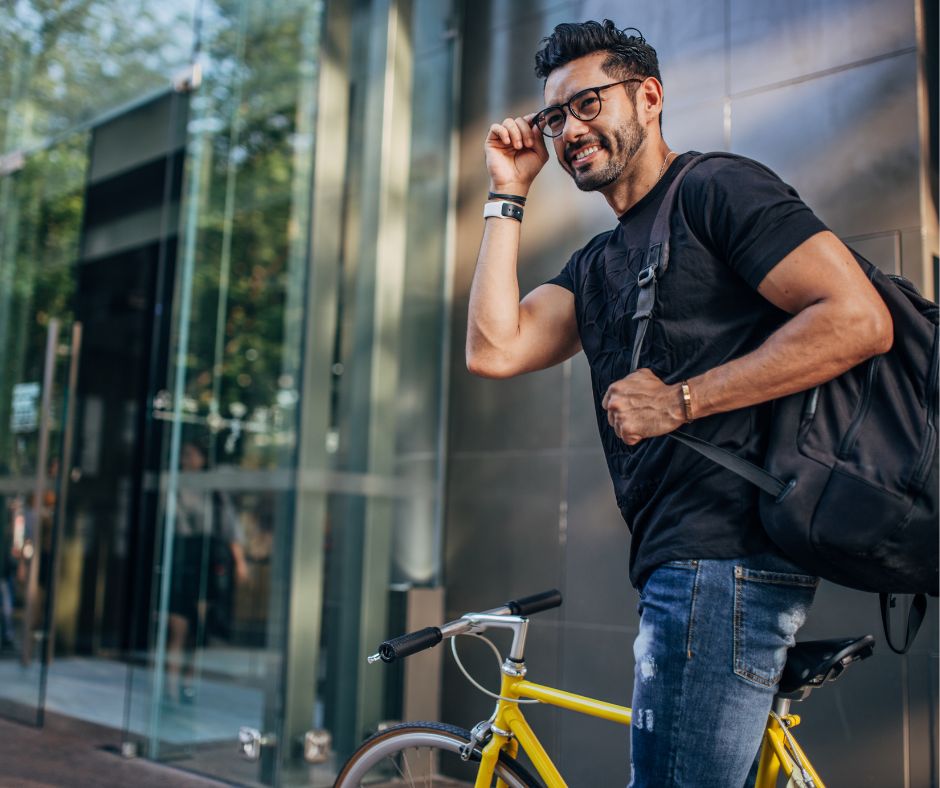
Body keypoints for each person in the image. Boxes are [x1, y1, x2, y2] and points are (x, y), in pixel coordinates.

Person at [466, 20, 892, 788]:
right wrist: (507, 191)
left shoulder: (716, 189)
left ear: (650, 96)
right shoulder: (598, 262)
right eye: (555, 116)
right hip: (681, 569)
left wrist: (684, 400)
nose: (569, 130)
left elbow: (857, 318)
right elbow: (494, 348)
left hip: (721, 563)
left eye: (588, 103)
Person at [166, 440, 249, 704]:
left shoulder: (214, 491)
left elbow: (229, 527)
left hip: (206, 560)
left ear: (202, 457)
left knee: (198, 632)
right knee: (177, 628)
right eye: (183, 455)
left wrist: (239, 562)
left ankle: (188, 683)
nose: (185, 460)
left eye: (190, 453)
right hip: (182, 558)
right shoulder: (175, 486)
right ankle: (170, 687)